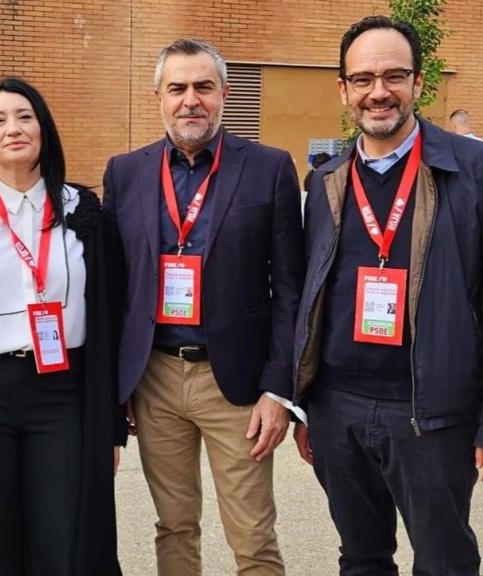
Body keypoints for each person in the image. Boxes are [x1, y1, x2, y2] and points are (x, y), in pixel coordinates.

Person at [290, 16, 483, 575]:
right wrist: (304, 405)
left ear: (418, 82)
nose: (379, 91)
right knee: (361, 556)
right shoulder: (326, 179)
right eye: (363, 79)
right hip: (338, 409)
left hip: (431, 414)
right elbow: (308, 298)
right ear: (344, 89)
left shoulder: (475, 170)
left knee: (445, 560)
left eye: (394, 75)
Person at [103, 39, 304, 575]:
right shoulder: (125, 173)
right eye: (178, 88)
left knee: (252, 534)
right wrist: (115, 384)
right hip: (155, 380)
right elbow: (115, 288)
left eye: (203, 87)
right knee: (174, 525)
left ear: (224, 94)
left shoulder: (269, 168)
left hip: (235, 384)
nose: (190, 100)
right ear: (159, 98)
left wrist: (278, 390)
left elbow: (290, 290)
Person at [0, 77, 124, 576]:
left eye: (25, 117)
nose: (14, 128)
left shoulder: (86, 212)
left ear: (44, 131)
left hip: (64, 396)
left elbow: (112, 318)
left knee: (65, 538)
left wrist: (110, 422)